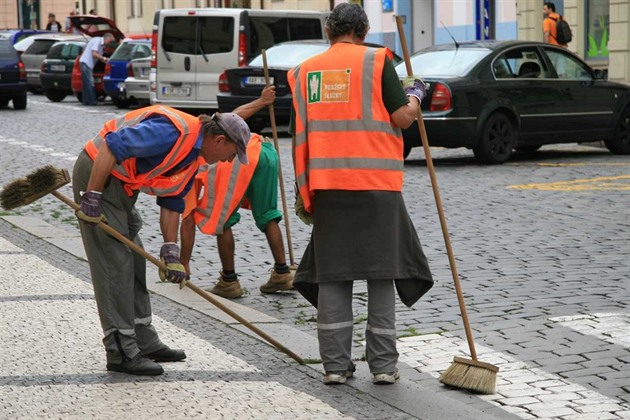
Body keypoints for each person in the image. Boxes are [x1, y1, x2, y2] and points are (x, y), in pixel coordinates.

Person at [287, 3, 434, 386]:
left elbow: (297, 135)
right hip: (376, 186)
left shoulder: (304, 72)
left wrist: (304, 191)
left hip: (328, 186)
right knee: (381, 274)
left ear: (328, 32)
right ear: (364, 31)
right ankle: (383, 366)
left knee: (334, 276)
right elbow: (402, 117)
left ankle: (335, 366)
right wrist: (416, 94)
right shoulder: (376, 61)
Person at [72, 104, 251, 376]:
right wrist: (93, 196)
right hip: (98, 172)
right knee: (114, 264)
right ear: (219, 140)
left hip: (122, 186)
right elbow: (111, 146)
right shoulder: (173, 132)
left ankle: (143, 338)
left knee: (135, 260)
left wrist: (171, 252)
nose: (228, 160)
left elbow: (172, 201)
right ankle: (121, 349)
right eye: (231, 153)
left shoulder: (194, 157)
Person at [180, 86, 293, 299]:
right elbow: (236, 116)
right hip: (264, 151)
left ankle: (229, 281)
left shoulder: (188, 161)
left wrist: (183, 263)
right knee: (268, 214)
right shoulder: (212, 126)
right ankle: (282, 272)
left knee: (222, 219)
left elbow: (187, 219)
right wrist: (261, 101)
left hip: (241, 161)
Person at [79, 32, 114, 106]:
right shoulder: (97, 40)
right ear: (107, 38)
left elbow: (100, 58)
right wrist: (104, 58)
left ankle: (86, 101)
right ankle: (93, 101)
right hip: (86, 63)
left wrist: (106, 61)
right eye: (110, 41)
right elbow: (94, 54)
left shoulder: (101, 46)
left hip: (86, 63)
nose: (109, 44)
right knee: (90, 83)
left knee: (86, 84)